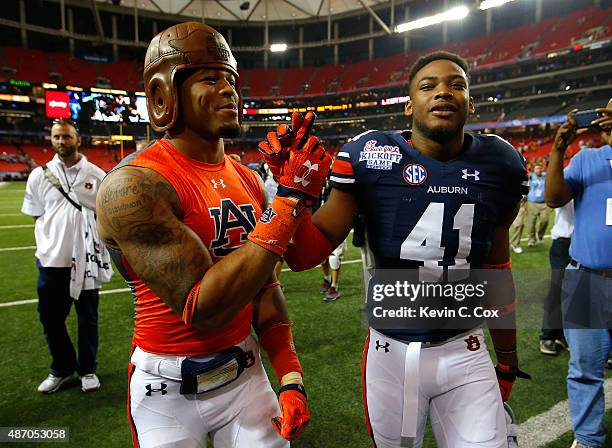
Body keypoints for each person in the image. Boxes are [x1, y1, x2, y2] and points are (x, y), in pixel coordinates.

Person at [263, 51, 530, 447]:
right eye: (428, 86)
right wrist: (290, 198)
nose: (443, 92)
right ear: (409, 105)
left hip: (465, 347)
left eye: (456, 84)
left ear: (471, 102)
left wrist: (506, 357)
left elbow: (496, 268)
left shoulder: (501, 163)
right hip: (392, 351)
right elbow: (303, 257)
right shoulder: (371, 156)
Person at [95, 22, 331, 448]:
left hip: (246, 376)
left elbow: (266, 289)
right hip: (166, 391)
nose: (229, 91)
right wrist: (289, 202)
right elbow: (204, 308)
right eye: (210, 79)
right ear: (165, 93)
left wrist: (290, 377)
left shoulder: (248, 179)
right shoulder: (132, 186)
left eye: (231, 81)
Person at [21, 118, 111, 394]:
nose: (62, 142)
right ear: (51, 140)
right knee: (51, 318)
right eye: (57, 137)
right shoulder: (39, 175)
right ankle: (61, 368)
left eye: (67, 137)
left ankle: (87, 369)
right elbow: (37, 214)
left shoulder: (96, 174)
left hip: (86, 261)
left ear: (78, 139)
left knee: (88, 318)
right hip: (51, 260)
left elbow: (107, 216)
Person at [545, 100, 612, 448]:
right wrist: (559, 149)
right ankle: (588, 438)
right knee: (584, 369)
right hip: (587, 279)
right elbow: (554, 198)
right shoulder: (587, 159)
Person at [539, 200, 573, 355]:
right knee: (558, 289)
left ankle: (563, 335)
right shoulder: (570, 177)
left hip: (585, 243)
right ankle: (549, 335)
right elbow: (553, 199)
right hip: (564, 242)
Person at [524, 161, 552, 247]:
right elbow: (523, 181)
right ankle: (531, 240)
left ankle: (539, 236)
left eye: (540, 168)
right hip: (532, 203)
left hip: (544, 204)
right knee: (531, 223)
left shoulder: (545, 177)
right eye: (536, 168)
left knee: (545, 221)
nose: (538, 170)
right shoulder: (531, 176)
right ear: (534, 169)